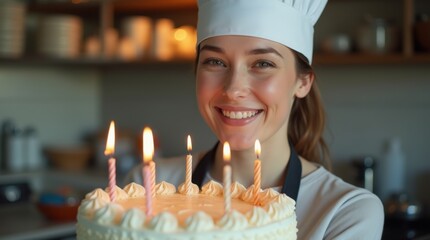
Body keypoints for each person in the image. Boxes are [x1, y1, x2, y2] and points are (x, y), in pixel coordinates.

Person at [126, 0, 385, 239]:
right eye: (215, 61)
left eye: (262, 64)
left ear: (302, 82)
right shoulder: (147, 184)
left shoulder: (346, 212)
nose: (233, 89)